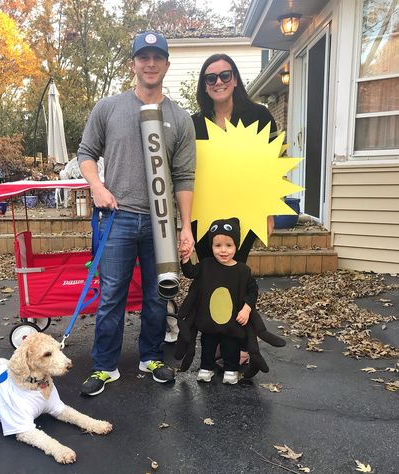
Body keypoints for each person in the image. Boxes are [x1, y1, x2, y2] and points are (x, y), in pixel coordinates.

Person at [77, 31, 196, 396]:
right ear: (133, 64)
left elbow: (184, 176)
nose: (150, 63)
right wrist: (97, 187)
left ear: (166, 65)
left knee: (158, 295)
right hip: (119, 217)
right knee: (111, 293)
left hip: (161, 223)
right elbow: (86, 153)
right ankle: (104, 366)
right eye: (143, 57)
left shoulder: (180, 118)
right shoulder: (109, 107)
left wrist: (186, 227)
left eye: (157, 57)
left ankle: (152, 357)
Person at [190, 53, 285, 370]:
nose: (218, 82)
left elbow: (271, 167)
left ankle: (241, 345)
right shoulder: (194, 123)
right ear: (204, 85)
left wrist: (269, 212)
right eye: (211, 78)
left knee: (236, 279)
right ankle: (214, 344)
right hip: (205, 216)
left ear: (235, 79)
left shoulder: (258, 116)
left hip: (244, 215)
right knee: (209, 278)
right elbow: (185, 173)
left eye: (225, 75)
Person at [176, 218, 268, 384]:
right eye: (217, 246)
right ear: (211, 246)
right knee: (208, 344)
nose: (223, 250)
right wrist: (185, 258)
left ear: (236, 246)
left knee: (230, 345)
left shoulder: (242, 270)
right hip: (209, 319)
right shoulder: (205, 265)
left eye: (229, 245)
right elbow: (190, 272)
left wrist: (246, 309)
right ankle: (206, 368)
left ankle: (231, 370)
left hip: (232, 321)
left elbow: (253, 291)